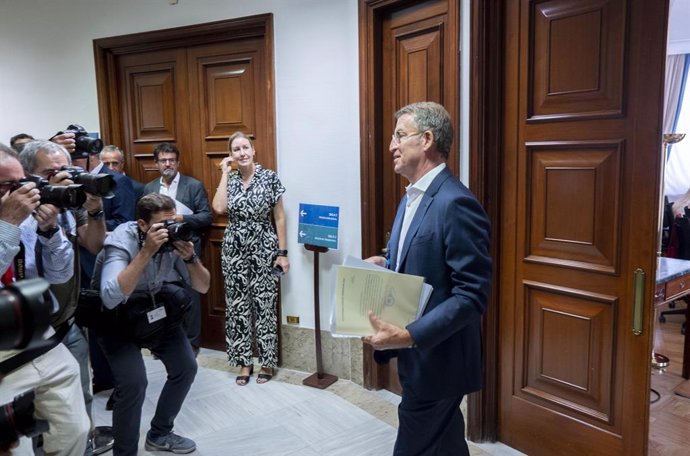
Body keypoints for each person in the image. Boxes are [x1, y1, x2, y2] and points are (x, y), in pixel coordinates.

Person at [362, 102, 492, 456]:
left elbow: (472, 294)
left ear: (427, 140)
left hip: (440, 359)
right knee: (446, 443)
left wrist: (409, 335)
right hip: (419, 359)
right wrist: (386, 263)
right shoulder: (411, 197)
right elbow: (421, 260)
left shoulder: (455, 203)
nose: (392, 145)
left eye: (400, 136)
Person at [94, 193, 209, 455]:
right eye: (161, 226)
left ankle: (160, 433)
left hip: (153, 308)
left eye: (171, 224)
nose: (168, 232)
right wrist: (146, 251)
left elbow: (203, 286)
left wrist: (191, 259)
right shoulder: (122, 240)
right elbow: (111, 297)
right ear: (142, 225)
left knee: (186, 367)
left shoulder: (173, 240)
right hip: (117, 317)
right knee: (134, 383)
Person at [18, 139, 113, 455]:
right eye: (52, 172)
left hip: (65, 322)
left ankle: (83, 448)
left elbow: (95, 244)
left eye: (67, 170)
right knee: (40, 411)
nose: (64, 178)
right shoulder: (15, 213)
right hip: (26, 330)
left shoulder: (71, 204)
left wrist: (94, 207)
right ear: (29, 177)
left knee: (80, 397)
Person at [0, 143, 91, 456]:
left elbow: (59, 275)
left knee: (74, 428)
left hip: (29, 326)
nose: (23, 192)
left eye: (23, 182)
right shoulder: (12, 217)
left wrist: (50, 231)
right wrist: (8, 224)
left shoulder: (24, 214)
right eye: (9, 185)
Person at [211, 132, 289, 385]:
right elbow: (219, 208)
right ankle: (244, 362)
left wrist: (282, 253)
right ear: (231, 155)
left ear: (254, 150)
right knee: (237, 307)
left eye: (245, 147)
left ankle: (267, 362)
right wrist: (224, 172)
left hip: (264, 247)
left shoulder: (269, 177)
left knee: (265, 305)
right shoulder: (230, 179)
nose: (242, 152)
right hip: (234, 249)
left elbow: (279, 217)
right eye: (236, 149)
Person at [143, 143, 212, 356]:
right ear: (156, 163)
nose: (168, 164)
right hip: (159, 249)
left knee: (191, 295)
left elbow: (206, 216)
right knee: (161, 295)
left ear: (178, 162)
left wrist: (180, 218)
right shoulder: (149, 188)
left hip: (185, 247)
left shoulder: (193, 185)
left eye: (172, 160)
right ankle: (162, 341)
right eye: (163, 160)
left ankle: (192, 342)